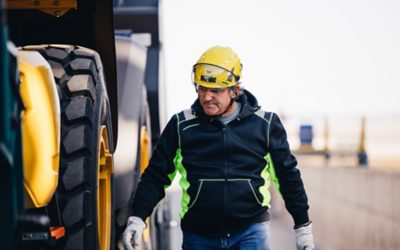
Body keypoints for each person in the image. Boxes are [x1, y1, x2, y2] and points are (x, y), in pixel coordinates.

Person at [122, 46, 315, 250]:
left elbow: (287, 176)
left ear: (235, 91)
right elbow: (156, 175)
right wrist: (138, 217)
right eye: (202, 88)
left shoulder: (265, 124)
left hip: (251, 232)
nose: (206, 97)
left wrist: (302, 227)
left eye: (215, 90)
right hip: (199, 235)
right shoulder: (181, 125)